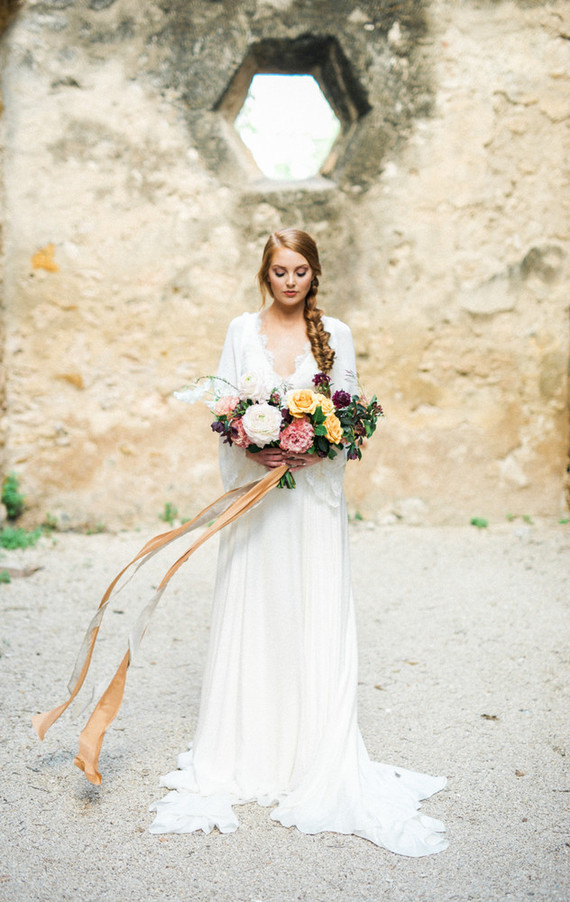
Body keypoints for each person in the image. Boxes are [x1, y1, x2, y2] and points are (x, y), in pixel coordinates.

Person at [149, 228, 448, 855]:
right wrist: (254, 442)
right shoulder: (240, 330)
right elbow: (226, 408)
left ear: (315, 275)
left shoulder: (335, 334)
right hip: (260, 496)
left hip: (311, 499)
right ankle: (251, 744)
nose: (290, 281)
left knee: (308, 605)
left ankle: (312, 746)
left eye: (301, 271)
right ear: (266, 274)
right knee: (261, 604)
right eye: (280, 271)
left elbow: (351, 410)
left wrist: (320, 447)